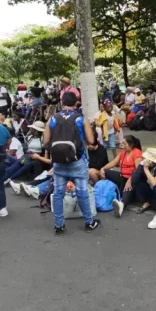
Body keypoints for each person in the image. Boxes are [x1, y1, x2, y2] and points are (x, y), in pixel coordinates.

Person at [45, 91, 100, 235]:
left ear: (62, 102)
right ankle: (89, 222)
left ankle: (59, 225)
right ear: (76, 103)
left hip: (58, 162)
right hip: (78, 161)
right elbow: (91, 140)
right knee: (82, 192)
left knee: (58, 194)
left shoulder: (52, 119)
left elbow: (45, 142)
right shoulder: (81, 118)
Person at [97, 135, 143, 217]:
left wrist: (130, 180)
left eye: (124, 144)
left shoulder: (137, 153)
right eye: (122, 144)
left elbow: (137, 171)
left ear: (131, 145)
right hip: (122, 176)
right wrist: (103, 168)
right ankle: (104, 194)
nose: (122, 146)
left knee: (128, 187)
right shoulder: (123, 153)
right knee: (106, 172)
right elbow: (113, 163)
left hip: (133, 178)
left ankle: (121, 204)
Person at [123, 148, 156, 213]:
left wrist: (146, 169)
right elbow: (134, 179)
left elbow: (154, 183)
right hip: (148, 187)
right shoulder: (144, 163)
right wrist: (141, 165)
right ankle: (146, 202)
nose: (144, 160)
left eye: (147, 159)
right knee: (137, 181)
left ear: (153, 161)